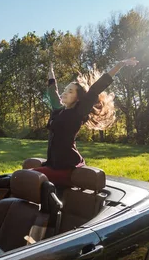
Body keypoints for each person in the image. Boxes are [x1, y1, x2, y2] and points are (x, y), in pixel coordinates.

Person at [32, 58, 139, 187]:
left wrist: (120, 65)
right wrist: (51, 72)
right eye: (65, 90)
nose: (65, 92)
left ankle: (53, 203)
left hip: (67, 167)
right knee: (20, 176)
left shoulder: (78, 112)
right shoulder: (58, 111)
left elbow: (96, 87)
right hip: (53, 165)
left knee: (25, 177)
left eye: (70, 91)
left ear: (78, 98)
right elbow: (52, 92)